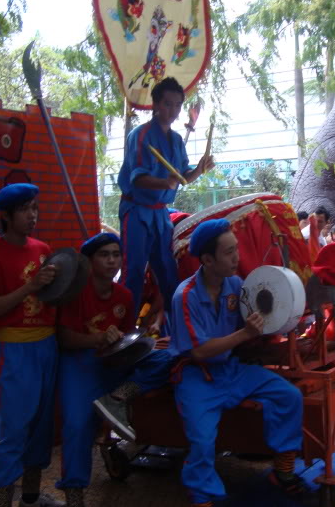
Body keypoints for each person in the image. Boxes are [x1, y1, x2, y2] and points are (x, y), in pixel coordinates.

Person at [169, 219, 305, 506]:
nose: (237, 257)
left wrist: (288, 311)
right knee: (203, 442)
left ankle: (282, 471)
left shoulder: (236, 285)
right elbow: (200, 352)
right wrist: (245, 333)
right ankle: (203, 494)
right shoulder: (185, 296)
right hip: (198, 377)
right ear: (207, 259)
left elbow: (262, 318)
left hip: (231, 370)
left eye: (237, 249)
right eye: (229, 252)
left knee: (288, 396)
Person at [54, 234, 172, 506]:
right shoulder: (75, 292)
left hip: (114, 362)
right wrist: (97, 339)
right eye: (104, 255)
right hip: (80, 363)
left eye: (116, 254)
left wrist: (141, 338)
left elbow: (128, 338)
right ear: (89, 260)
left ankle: (117, 397)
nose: (112, 260)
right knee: (76, 424)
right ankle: (74, 495)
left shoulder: (125, 295)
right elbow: (63, 338)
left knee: (169, 358)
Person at [0, 183, 62, 507]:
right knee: (13, 429)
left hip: (47, 346)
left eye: (35, 208)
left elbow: (51, 297)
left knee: (41, 427)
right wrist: (30, 287)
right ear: (7, 216)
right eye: (26, 210)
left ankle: (31, 498)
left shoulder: (42, 248)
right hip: (14, 349)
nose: (33, 215)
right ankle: (2, 502)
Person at [118, 77, 214, 317]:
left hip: (161, 213)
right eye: (167, 104)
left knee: (168, 271)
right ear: (155, 104)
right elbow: (137, 179)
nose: (172, 111)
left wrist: (200, 170)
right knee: (134, 272)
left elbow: (183, 177)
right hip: (136, 210)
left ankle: (176, 331)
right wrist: (164, 182)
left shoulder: (176, 140)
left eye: (177, 105)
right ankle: (125, 333)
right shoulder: (140, 136)